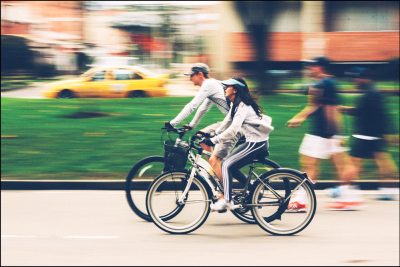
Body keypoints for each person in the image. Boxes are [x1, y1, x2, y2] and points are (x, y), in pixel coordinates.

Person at [286, 56, 362, 211]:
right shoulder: (327, 83)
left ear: (320, 67)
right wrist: (299, 118)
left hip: (323, 133)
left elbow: (330, 109)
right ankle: (348, 197)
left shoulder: (324, 83)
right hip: (327, 133)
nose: (309, 69)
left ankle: (303, 200)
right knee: (335, 165)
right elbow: (316, 106)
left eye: (312, 66)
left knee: (312, 164)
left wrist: (333, 134)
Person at [201, 77, 274, 212]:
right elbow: (226, 123)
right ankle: (252, 189)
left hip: (257, 144)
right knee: (230, 166)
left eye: (227, 86)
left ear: (234, 89)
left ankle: (227, 201)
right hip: (252, 142)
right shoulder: (235, 104)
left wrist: (213, 140)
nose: (224, 88)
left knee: (226, 165)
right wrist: (212, 134)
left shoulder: (243, 105)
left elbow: (233, 130)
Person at [165, 63, 242, 181]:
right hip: (230, 122)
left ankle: (225, 191)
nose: (190, 79)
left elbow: (192, 106)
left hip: (236, 126)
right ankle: (212, 172)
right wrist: (191, 125)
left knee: (215, 159)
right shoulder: (212, 84)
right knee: (201, 138)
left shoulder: (208, 84)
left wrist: (173, 123)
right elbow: (203, 108)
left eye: (191, 76)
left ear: (200, 74)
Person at [341, 67, 399, 201]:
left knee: (352, 163)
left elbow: (363, 112)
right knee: (384, 162)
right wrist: (389, 133)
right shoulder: (374, 92)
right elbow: (382, 114)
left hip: (364, 136)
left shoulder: (369, 94)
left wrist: (344, 109)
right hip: (376, 136)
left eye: (356, 78)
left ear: (364, 78)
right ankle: (388, 190)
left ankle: (343, 190)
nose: (354, 80)